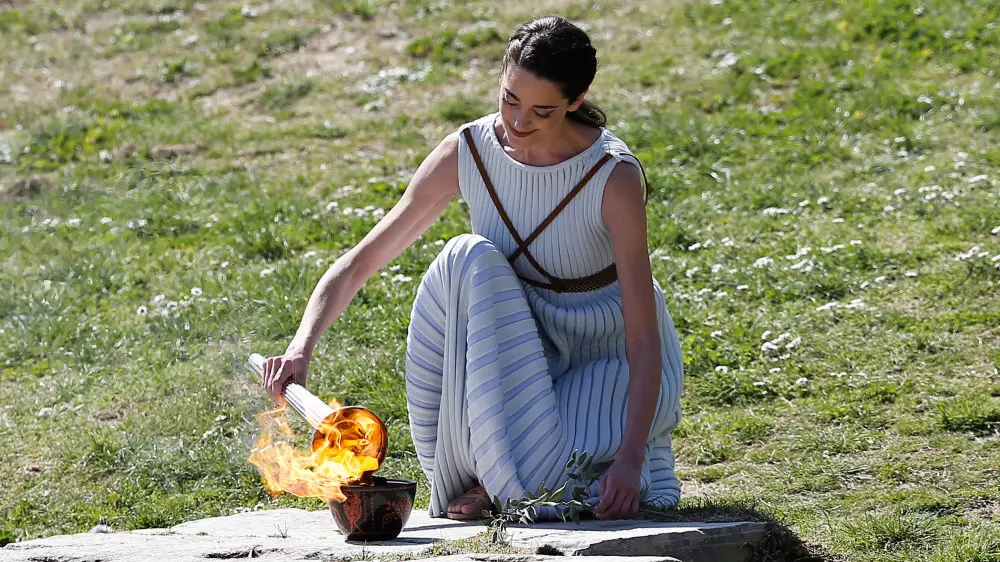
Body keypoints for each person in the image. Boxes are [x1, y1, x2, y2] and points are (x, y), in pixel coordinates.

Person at [262, 15, 684, 521]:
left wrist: (632, 457)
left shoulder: (612, 176)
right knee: (466, 255)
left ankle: (517, 472)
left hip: (605, 358)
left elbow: (643, 338)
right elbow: (362, 261)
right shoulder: (469, 151)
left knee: (546, 486)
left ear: (576, 100)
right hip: (510, 347)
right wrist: (301, 346)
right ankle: (488, 472)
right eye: (510, 99)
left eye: (541, 111)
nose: (518, 122)